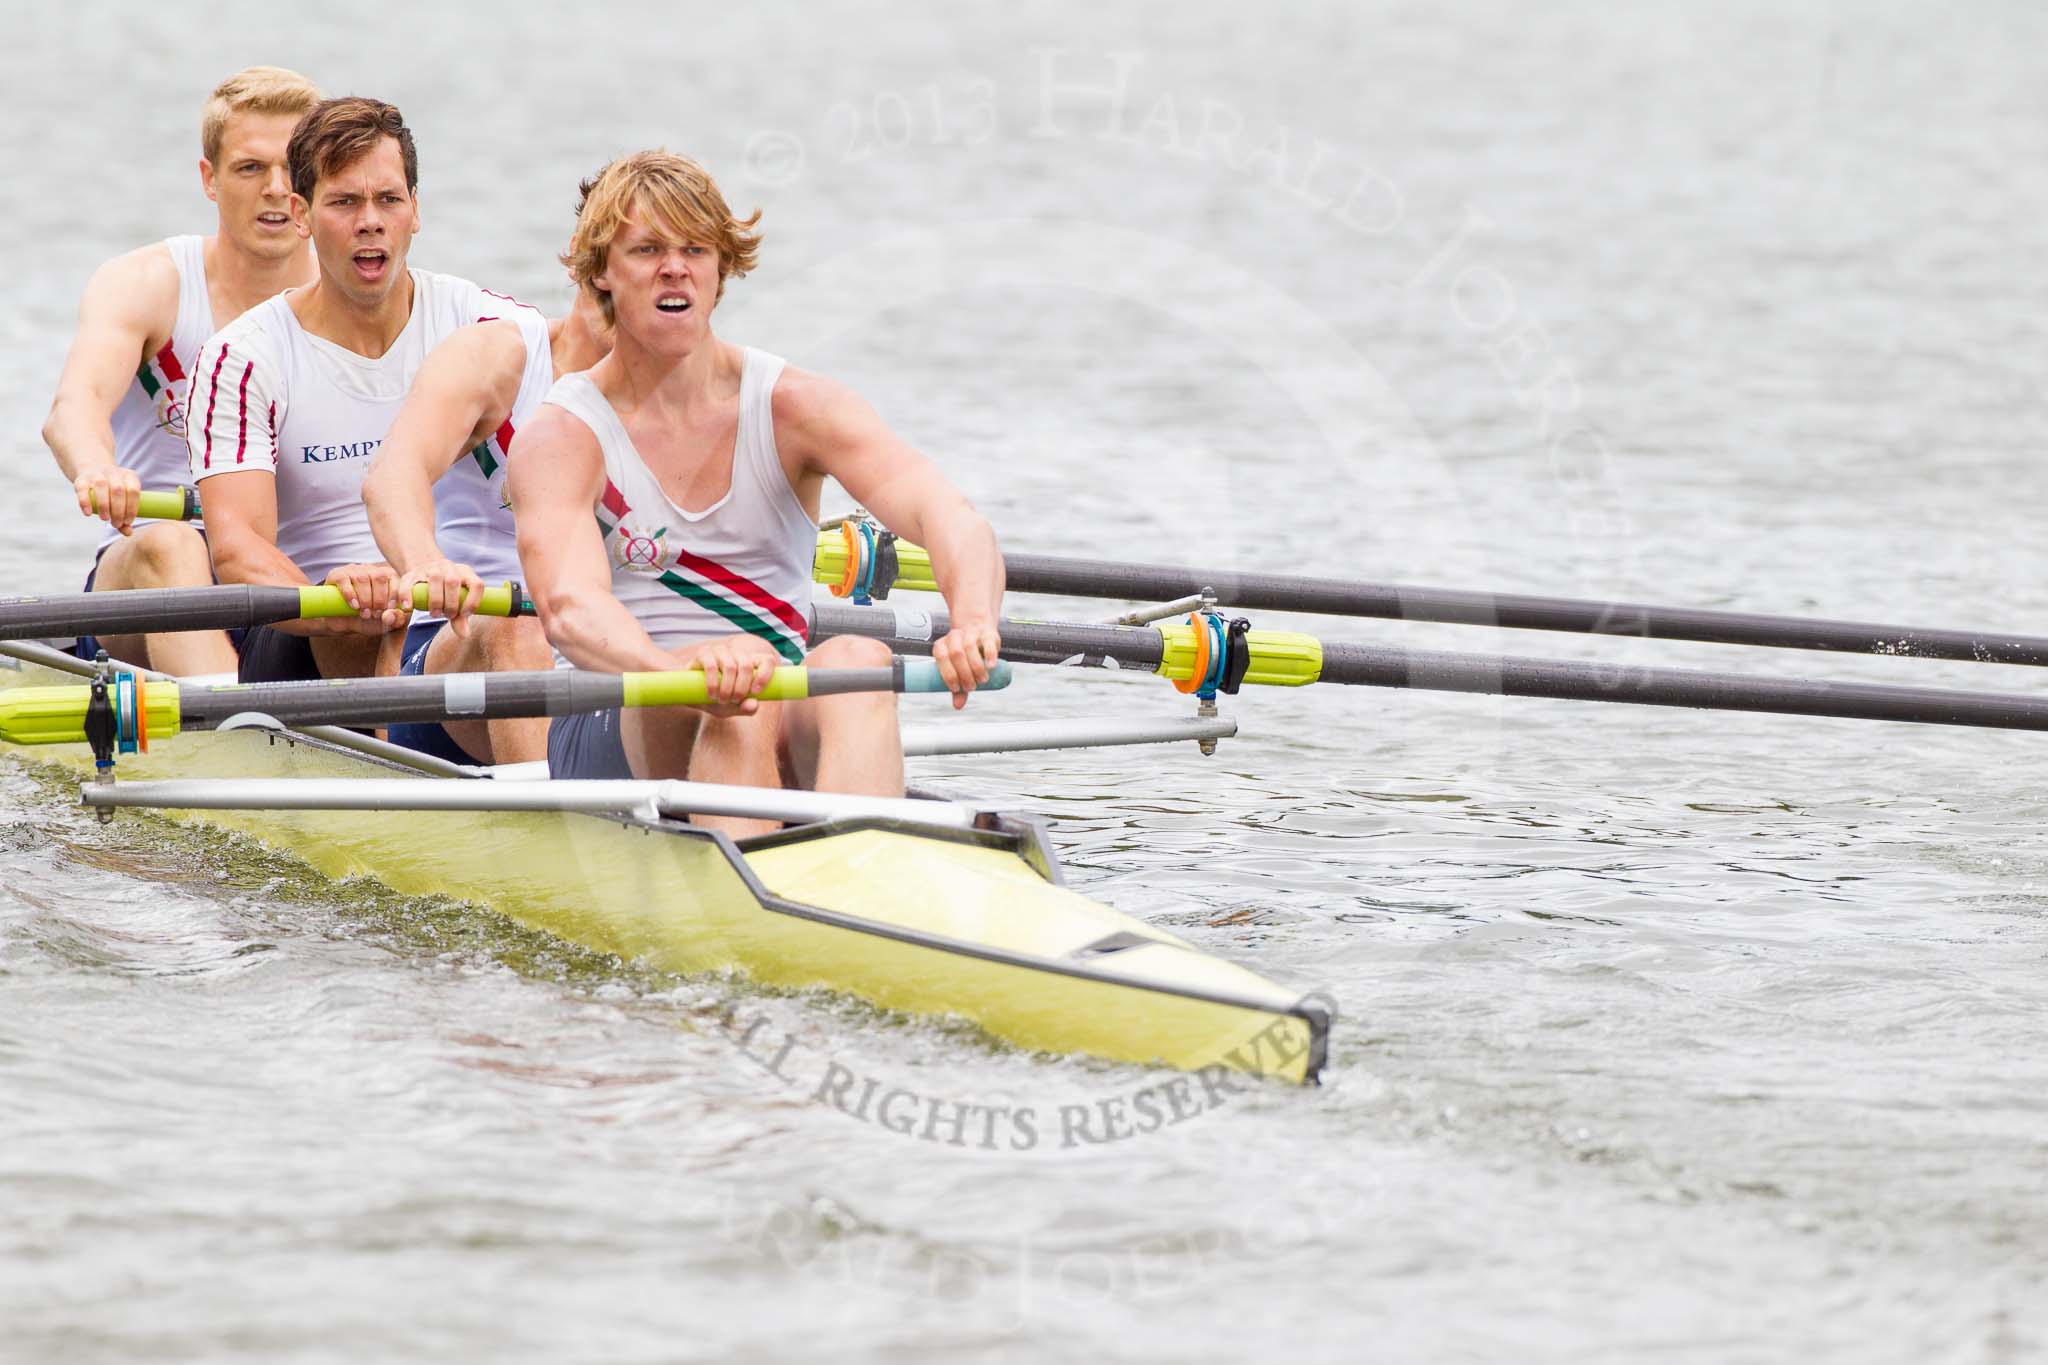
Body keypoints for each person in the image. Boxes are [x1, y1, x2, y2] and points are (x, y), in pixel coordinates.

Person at [509, 151, 1005, 834]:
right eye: (648, 249)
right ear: (601, 271)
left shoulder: (795, 405)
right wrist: (677, 667)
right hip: (616, 717)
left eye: (694, 248)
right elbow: (571, 609)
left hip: (765, 693)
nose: (674, 267)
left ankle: (862, 870)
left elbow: (948, 515)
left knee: (859, 659)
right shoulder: (564, 433)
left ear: (721, 268)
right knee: (737, 688)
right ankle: (772, 906)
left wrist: (974, 618)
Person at [186, 96, 556, 716]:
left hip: (477, 621)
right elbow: (238, 549)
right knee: (376, 618)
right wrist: (331, 600)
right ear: (302, 216)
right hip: (313, 637)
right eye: (345, 203)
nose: (371, 222)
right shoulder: (242, 356)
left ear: (416, 212)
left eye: (389, 200)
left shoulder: (493, 324)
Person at [42, 66, 320, 674]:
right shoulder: (148, 284)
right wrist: (97, 468)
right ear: (210, 180)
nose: (276, 188)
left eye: (294, 169)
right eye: (250, 168)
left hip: (291, 583)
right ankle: (227, 734)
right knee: (171, 543)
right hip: (149, 576)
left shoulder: (355, 303)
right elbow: (75, 407)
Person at [358, 286, 612, 763]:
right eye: (637, 251)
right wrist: (426, 563)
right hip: (465, 649)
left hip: (610, 651)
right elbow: (392, 477)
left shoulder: (699, 393)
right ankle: (557, 831)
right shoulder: (495, 357)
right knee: (522, 628)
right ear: (585, 256)